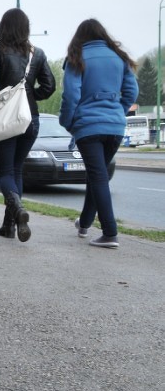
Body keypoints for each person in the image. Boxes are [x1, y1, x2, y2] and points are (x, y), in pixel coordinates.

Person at [58, 19, 138, 249]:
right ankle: (84, 224)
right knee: (96, 175)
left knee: (98, 177)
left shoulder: (77, 57)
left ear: (80, 36)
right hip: (115, 127)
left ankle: (110, 233)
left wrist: (68, 122)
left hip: (88, 127)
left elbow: (71, 95)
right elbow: (132, 91)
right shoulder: (119, 57)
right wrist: (117, 112)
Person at [0, 8, 56, 242]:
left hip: (6, 119)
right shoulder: (38, 54)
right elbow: (49, 87)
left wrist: (9, 97)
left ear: (3, 27)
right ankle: (9, 226)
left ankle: (17, 210)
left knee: (5, 172)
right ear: (26, 28)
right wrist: (29, 96)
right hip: (30, 120)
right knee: (17, 170)